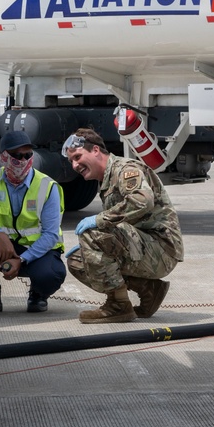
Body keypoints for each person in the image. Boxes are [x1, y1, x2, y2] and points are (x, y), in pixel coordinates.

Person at [61, 126, 184, 324]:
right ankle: (149, 289)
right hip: (142, 247)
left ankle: (118, 306)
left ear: (95, 150)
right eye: (71, 161)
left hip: (161, 249)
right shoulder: (106, 178)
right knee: (78, 260)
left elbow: (142, 200)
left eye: (77, 157)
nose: (75, 165)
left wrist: (99, 221)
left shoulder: (125, 169)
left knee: (93, 232)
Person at [0, 130, 67, 315]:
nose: (23, 160)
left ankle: (38, 294)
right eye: (17, 155)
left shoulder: (47, 186)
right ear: (4, 157)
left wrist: (22, 259)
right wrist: (0, 236)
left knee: (50, 275)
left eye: (28, 155)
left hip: (37, 251)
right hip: (4, 248)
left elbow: (50, 235)